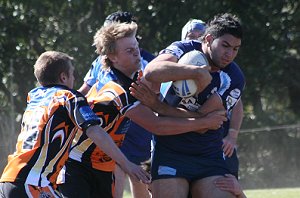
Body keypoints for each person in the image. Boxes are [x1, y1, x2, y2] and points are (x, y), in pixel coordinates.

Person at [57, 22, 227, 198]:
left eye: (136, 47)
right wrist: (204, 121)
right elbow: (157, 125)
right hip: (78, 162)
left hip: (101, 162)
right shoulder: (117, 88)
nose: (137, 53)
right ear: (112, 57)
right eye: (129, 51)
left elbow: (160, 107)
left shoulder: (135, 78)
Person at [0, 51, 149, 198]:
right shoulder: (69, 97)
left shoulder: (34, 96)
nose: (74, 79)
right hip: (32, 183)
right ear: (63, 77)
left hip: (9, 178)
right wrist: (127, 164)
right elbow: (95, 132)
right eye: (72, 74)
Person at [131, 13, 246, 197]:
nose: (229, 54)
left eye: (235, 49)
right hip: (169, 152)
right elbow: (151, 72)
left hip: (207, 156)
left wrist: (159, 107)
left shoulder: (233, 77)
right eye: (225, 46)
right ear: (209, 39)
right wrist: (195, 72)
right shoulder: (182, 48)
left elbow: (201, 122)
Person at [77, 11, 154, 198]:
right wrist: (68, 104)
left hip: (139, 129)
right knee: (115, 180)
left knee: (140, 180)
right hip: (111, 132)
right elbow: (85, 90)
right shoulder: (101, 62)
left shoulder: (148, 62)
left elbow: (157, 101)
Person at [181, 18, 244, 179]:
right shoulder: (177, 57)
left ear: (207, 38)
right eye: (191, 34)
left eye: (199, 34)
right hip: (175, 146)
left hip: (213, 144)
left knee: (228, 186)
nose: (195, 37)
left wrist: (232, 135)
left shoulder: (230, 75)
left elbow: (237, 106)